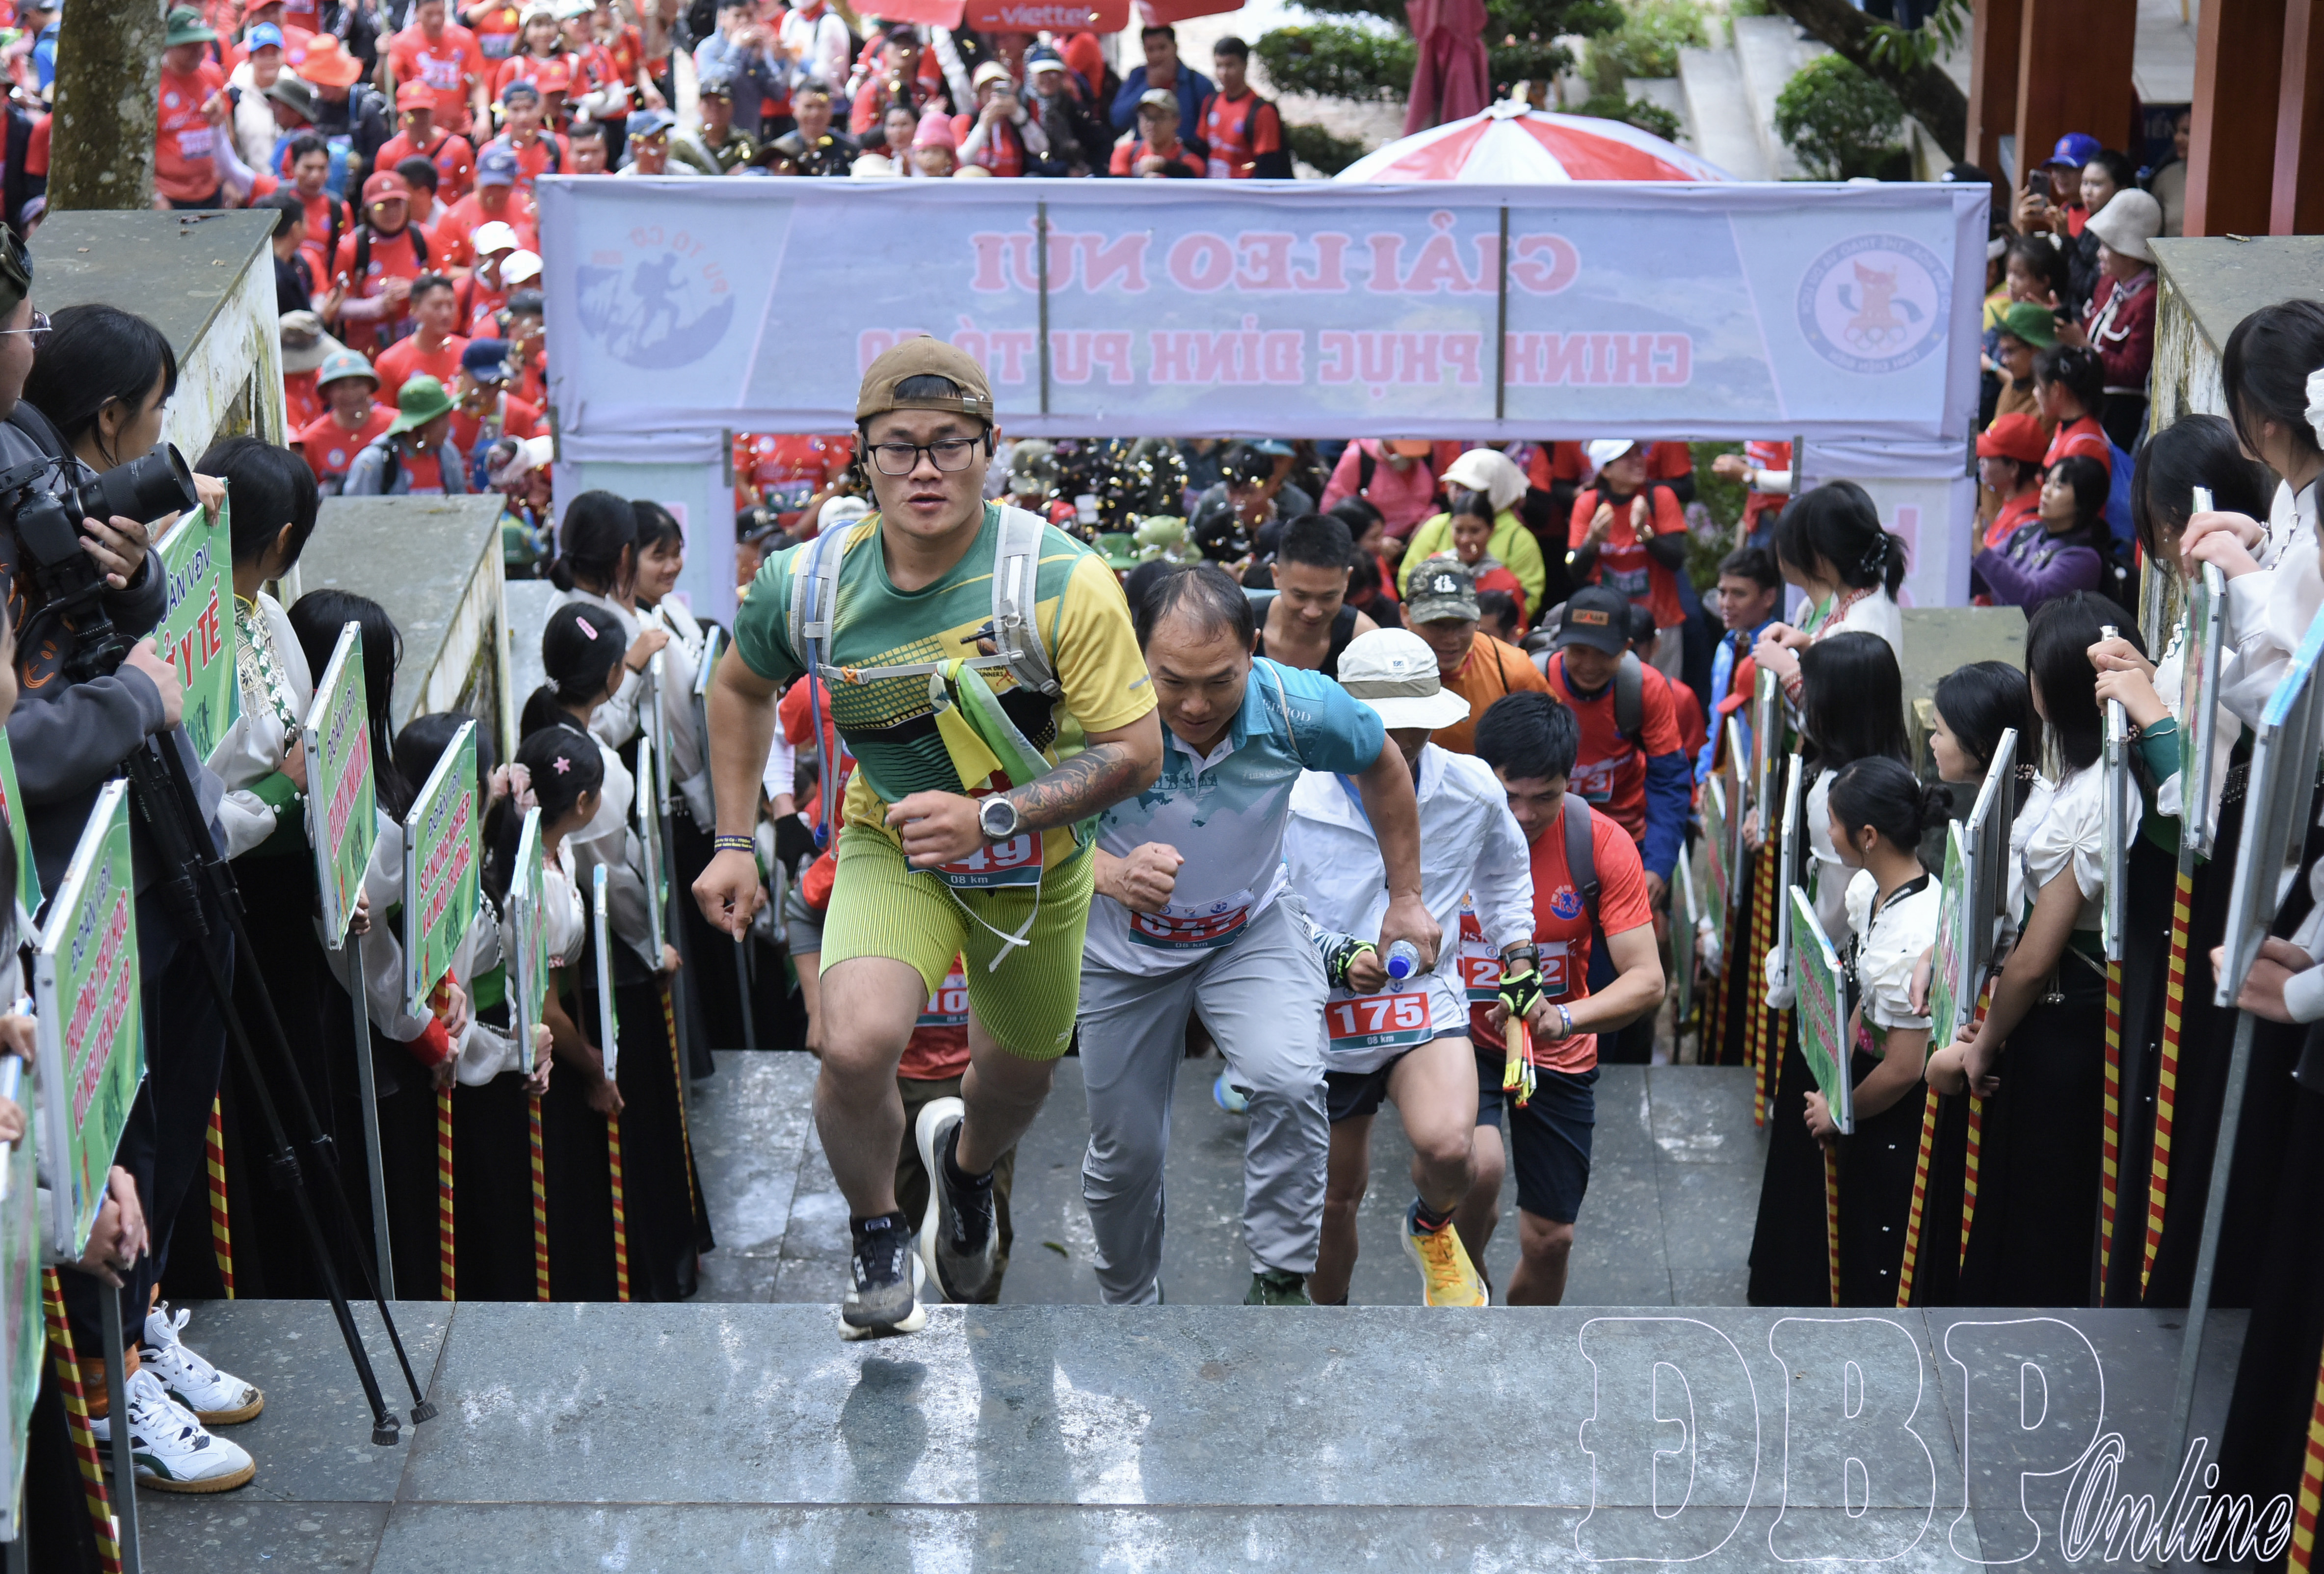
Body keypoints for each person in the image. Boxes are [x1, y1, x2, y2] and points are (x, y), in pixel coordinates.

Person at [693, 338, 1163, 1338]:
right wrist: (734, 836)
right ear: (859, 455)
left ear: (989, 449)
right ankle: (877, 1230)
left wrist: (993, 814)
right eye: (897, 446)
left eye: (950, 444)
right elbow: (735, 685)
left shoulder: (1062, 583)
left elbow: (1135, 753)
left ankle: (971, 1172)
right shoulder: (809, 583)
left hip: (1035, 868)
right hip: (891, 841)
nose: (924, 468)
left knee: (1017, 1074)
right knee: (853, 1043)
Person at [11, 298, 257, 1492]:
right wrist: (138, 701)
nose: (29, 335)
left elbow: (116, 645)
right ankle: (109, 1385)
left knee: (157, 1107)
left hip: (139, 852)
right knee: (108, 1130)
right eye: (21, 315)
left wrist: (143, 580)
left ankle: (144, 1325)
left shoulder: (47, 492)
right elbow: (24, 738)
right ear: (109, 415)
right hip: (59, 880)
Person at [1078, 566, 1431, 1306]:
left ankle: (1278, 1277)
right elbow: (1022, 824)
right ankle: (1129, 1304)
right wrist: (1109, 875)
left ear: (1256, 651)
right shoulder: (1085, 706)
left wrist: (1406, 897)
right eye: (1172, 681)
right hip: (1120, 948)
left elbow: (1384, 764)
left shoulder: (1300, 706)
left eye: (1222, 680)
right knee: (1126, 1156)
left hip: (1249, 927)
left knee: (1290, 1078)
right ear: (1133, 654)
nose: (1197, 705)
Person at [1284, 628, 1527, 1307]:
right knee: (1334, 1203)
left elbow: (1506, 877)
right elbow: (1260, 900)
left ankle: (1431, 1227)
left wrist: (1519, 953)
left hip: (1421, 1004)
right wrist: (1335, 952)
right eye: (1384, 726)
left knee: (1456, 1152)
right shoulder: (1293, 795)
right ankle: (1321, 1336)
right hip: (1323, 1016)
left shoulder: (1471, 788)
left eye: (1415, 724)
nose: (1402, 740)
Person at [1928, 593, 2120, 1308]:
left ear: (2049, 687)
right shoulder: (2074, 777)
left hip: (2061, 1025)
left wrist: (1982, 1048)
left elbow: (2034, 956)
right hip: (2044, 1018)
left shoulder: (2083, 798)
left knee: (2040, 1210)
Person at [1451, 691, 1660, 1303]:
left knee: (1552, 1239)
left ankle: (1522, 1353)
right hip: (1459, 1042)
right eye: (1508, 795)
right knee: (1477, 1171)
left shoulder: (1597, 842)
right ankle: (1463, 1303)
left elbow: (1646, 980)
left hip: (1556, 1047)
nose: (1522, 815)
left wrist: (1563, 1017)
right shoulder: (1442, 831)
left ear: (1569, 781)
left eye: (1543, 797)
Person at [1816, 756, 1945, 1305]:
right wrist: (1834, 1081)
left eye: (1833, 821)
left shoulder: (1913, 931)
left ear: (1867, 836)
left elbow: (1902, 1069)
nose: (1828, 831)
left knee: (1881, 1243)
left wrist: (1839, 1112)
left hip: (1896, 1110)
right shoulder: (1872, 892)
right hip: (1863, 1084)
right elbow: (1862, 1001)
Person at [1752, 481, 1907, 711]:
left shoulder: (1854, 629)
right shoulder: (1870, 597)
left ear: (1818, 555)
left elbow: (1832, 721)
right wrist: (1809, 644)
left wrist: (1787, 670)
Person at [545, 489, 665, 751]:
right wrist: (632, 666)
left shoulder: (586, 600)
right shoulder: (582, 620)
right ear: (625, 555)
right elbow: (601, 731)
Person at [1404, 555, 1552, 756]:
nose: (1451, 639)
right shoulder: (1378, 670)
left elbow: (1550, 743)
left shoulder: (1512, 669)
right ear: (1406, 615)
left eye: (1461, 624)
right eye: (1436, 624)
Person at [1566, 439, 1689, 679]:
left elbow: (1676, 560)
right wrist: (1592, 541)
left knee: (1664, 694)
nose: (1639, 461)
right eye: (1627, 456)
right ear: (1606, 469)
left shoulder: (1660, 497)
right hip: (1609, 624)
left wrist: (1644, 533)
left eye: (1639, 453)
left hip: (1661, 622)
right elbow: (1575, 570)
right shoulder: (1589, 503)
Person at [2057, 188, 2162, 451]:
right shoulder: (2107, 283)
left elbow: (2133, 372)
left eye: (2107, 247)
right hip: (2089, 401)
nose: (2099, 254)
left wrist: (2085, 346)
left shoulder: (2149, 298)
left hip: (2119, 416)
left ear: (2129, 254)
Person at [1400, 447, 1546, 614]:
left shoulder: (1519, 538)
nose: (1459, 495)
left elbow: (1528, 596)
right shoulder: (1437, 526)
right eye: (1456, 487)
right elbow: (1408, 578)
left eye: (1469, 488)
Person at [1973, 453, 2113, 614]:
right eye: (2048, 482)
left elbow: (2032, 600)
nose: (2046, 491)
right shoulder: (2029, 531)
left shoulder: (2083, 558)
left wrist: (1980, 551)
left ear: (2083, 501)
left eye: (2059, 487)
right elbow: (1979, 578)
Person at [1251, 511, 1378, 676]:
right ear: (1276, 576)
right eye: (1300, 596)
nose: (1313, 612)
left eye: (1328, 597)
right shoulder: (1239, 628)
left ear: (1347, 580)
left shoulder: (1366, 643)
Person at [1696, 545, 1781, 785]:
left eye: (1739, 594)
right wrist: (1705, 776)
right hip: (1720, 778)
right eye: (1723, 592)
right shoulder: (1725, 648)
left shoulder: (1777, 651)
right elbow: (1717, 721)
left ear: (1769, 597)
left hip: (1757, 783)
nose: (1726, 603)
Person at [331, 170, 436, 356]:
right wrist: (376, 306)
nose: (392, 212)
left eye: (398, 203)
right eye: (381, 206)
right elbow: (336, 306)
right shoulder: (352, 247)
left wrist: (416, 290)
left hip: (418, 349)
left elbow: (445, 288)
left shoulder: (424, 238)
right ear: (367, 210)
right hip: (366, 352)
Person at [341, 374, 467, 495]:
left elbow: (459, 506)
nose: (448, 426)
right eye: (440, 419)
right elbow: (357, 513)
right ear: (419, 424)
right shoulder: (373, 461)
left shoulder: (447, 453)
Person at [156, 6, 229, 210]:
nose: (198, 51)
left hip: (211, 191)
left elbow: (225, 130)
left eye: (201, 44)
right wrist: (156, 197)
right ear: (169, 46)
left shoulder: (212, 74)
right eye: (189, 45)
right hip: (172, 196)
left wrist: (228, 178)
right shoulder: (155, 85)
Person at [388, 0, 493, 140]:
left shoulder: (465, 38)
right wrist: (383, 57)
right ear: (416, 13)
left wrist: (483, 115)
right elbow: (386, 85)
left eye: (440, 13)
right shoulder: (402, 42)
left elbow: (478, 83)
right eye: (429, 14)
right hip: (416, 130)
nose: (436, 20)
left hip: (458, 129)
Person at [293, 346, 391, 494]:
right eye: (340, 386)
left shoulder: (394, 425)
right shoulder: (311, 440)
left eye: (357, 384)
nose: (350, 393)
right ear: (327, 392)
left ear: (370, 386)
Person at [448, 337, 537, 489]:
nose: (493, 390)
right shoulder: (440, 411)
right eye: (485, 383)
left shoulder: (520, 414)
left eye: (498, 382)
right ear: (463, 373)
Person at [694, 0, 789, 141]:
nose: (744, 21)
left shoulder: (757, 48)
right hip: (714, 137)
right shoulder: (708, 48)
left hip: (748, 136)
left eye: (750, 15)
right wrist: (735, 49)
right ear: (723, 18)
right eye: (737, 16)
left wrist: (761, 62)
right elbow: (716, 84)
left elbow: (778, 93)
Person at [1197, 36, 1287, 179]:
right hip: (1214, 191)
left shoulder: (1262, 111)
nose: (1224, 73)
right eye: (1219, 66)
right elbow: (1201, 147)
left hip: (1243, 194)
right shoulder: (1211, 102)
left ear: (1245, 65)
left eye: (1230, 65)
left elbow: (1267, 165)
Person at [370, 271, 468, 401]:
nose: (446, 314)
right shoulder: (389, 363)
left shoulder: (468, 351)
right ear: (414, 309)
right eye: (437, 306)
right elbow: (384, 414)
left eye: (451, 305)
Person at [377, 79, 478, 203]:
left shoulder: (457, 147)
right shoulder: (388, 152)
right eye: (412, 113)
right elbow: (381, 193)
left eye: (424, 112)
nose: (419, 118)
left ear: (433, 111)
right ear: (402, 114)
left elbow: (470, 191)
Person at [1110, 22, 1212, 132]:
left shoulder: (1198, 83)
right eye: (1151, 50)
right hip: (1146, 147)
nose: (1157, 55)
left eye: (1162, 48)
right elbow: (1117, 120)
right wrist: (1148, 86)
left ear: (1175, 47)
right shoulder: (1137, 77)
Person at [954, 60, 1047, 177]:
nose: (993, 93)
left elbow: (1041, 148)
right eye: (987, 87)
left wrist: (1018, 114)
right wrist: (984, 126)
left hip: (1014, 189)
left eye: (999, 86)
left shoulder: (1017, 119)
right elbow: (961, 161)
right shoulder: (964, 122)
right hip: (979, 189)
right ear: (978, 93)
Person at [1025, 47, 1108, 176]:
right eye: (1042, 72)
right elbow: (1022, 157)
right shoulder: (1023, 107)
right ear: (1030, 75)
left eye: (1054, 72)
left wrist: (1093, 170)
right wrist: (1063, 171)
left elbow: (1099, 141)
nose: (1049, 78)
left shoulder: (1073, 107)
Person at [2034, 344, 2113, 477]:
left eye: (2039, 387)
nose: (2034, 393)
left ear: (2056, 389)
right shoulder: (2063, 426)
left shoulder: (2085, 444)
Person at [1976, 411, 2048, 551]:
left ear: (2014, 468)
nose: (1981, 461)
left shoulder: (2031, 524)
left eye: (1988, 457)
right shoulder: (2014, 499)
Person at [673, 69, 756, 173]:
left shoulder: (745, 143)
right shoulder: (684, 146)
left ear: (732, 106)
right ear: (699, 106)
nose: (715, 109)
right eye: (708, 103)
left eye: (722, 103)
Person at [1109, 89, 1203, 178]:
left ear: (1176, 122)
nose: (1152, 124)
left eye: (1160, 117)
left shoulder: (1189, 160)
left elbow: (1194, 171)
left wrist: (1164, 167)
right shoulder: (1126, 153)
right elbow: (1118, 187)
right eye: (1147, 117)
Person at [617, 105, 688, 175]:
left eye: (664, 139)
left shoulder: (685, 177)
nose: (663, 148)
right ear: (636, 145)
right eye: (654, 141)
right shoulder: (622, 182)